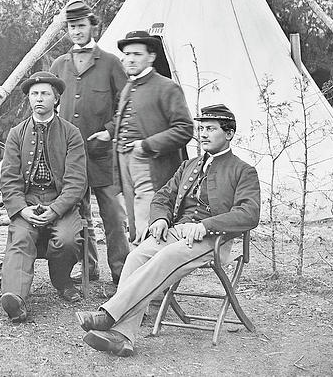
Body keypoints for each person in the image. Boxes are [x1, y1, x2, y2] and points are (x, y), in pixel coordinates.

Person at [76, 104, 261, 356]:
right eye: (202, 128)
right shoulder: (189, 166)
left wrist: (206, 225)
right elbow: (163, 196)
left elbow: (249, 214)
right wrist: (160, 219)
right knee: (136, 256)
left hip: (212, 240)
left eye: (211, 129)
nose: (204, 134)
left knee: (166, 256)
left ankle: (108, 314)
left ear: (228, 134)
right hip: (176, 232)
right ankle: (123, 337)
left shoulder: (243, 171)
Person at [50, 0, 129, 284]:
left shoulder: (110, 63)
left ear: (92, 26)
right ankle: (89, 267)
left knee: (113, 217)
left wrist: (109, 131)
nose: (77, 31)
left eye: (81, 26)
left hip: (103, 153)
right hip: (71, 156)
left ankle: (121, 272)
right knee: (79, 215)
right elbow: (50, 104)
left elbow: (126, 104)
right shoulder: (59, 64)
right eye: (72, 27)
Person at [0, 71, 88, 322]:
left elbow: (76, 181)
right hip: (28, 201)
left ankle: (61, 281)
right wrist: (21, 208)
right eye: (34, 94)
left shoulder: (71, 133)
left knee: (68, 239)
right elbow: (9, 178)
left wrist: (56, 209)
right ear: (29, 99)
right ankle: (14, 299)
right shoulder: (17, 133)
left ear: (56, 98)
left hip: (61, 202)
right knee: (20, 236)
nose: (39, 98)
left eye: (45, 94)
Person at [113, 30, 193, 242]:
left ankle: (153, 273)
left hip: (151, 165)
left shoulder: (167, 87)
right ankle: (139, 273)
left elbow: (184, 128)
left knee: (150, 226)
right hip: (125, 164)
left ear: (151, 56)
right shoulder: (128, 88)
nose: (130, 59)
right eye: (127, 54)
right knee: (134, 227)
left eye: (137, 54)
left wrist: (147, 145)